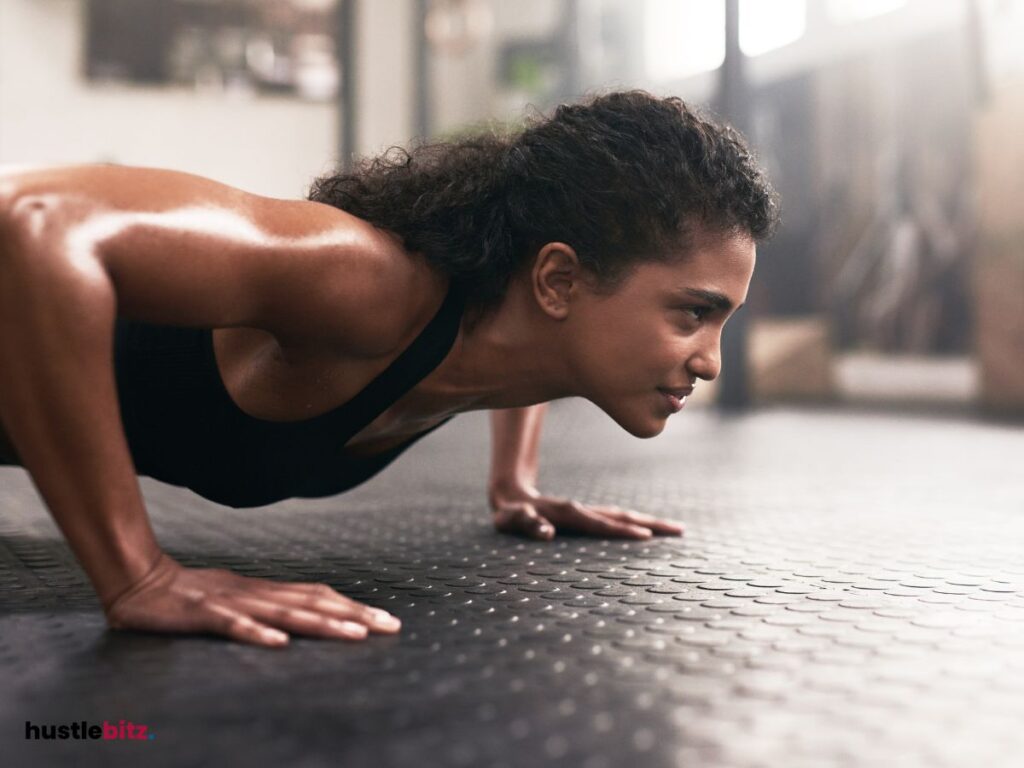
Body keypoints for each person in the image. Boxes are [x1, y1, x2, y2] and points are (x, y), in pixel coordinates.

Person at [0, 90, 778, 648]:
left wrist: (516, 484)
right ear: (559, 281)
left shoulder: (517, 331)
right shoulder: (367, 283)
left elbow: (541, 348)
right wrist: (137, 576)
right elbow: (37, 225)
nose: (709, 361)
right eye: (692, 313)